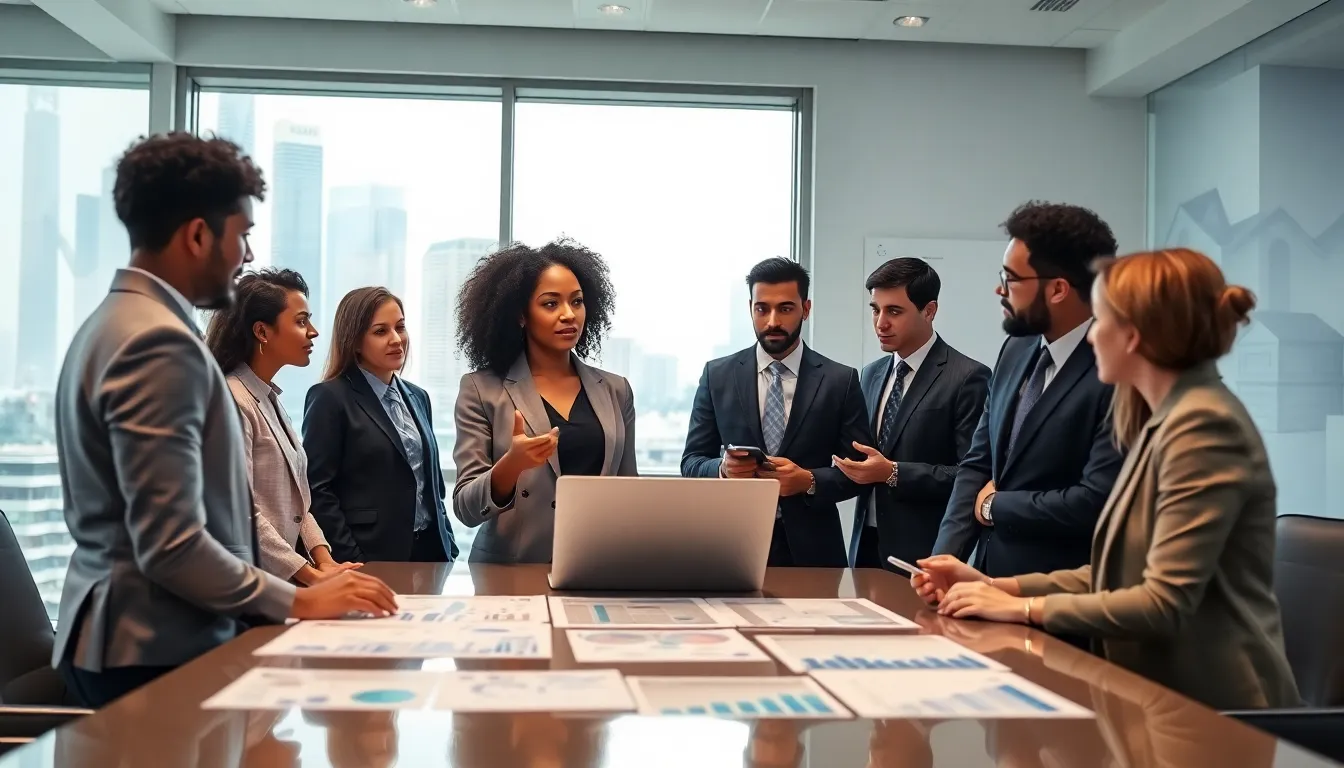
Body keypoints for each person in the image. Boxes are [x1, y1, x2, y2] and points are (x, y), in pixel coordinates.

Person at [52, 133, 396, 708]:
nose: (247, 257)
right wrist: (300, 600)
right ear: (197, 235)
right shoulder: (158, 342)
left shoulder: (113, 321)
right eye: (241, 236)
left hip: (123, 637)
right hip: (150, 644)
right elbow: (171, 544)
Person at [914, 248, 1301, 710]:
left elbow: (1163, 602)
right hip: (1160, 696)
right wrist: (996, 587)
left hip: (1215, 709)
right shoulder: (1164, 416)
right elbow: (1122, 574)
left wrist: (1024, 609)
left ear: (1133, 336)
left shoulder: (1203, 426)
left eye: (1102, 321)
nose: (1093, 335)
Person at [931, 201, 1124, 578]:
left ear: (1058, 289)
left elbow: (1096, 500)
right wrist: (944, 560)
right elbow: (978, 463)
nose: (999, 289)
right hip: (984, 580)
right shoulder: (1016, 349)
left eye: (1011, 279)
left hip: (1061, 592)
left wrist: (995, 507)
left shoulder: (1115, 369)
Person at [452, 239, 636, 563]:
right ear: (521, 315)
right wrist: (512, 464)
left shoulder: (616, 390)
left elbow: (629, 493)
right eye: (551, 304)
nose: (568, 314)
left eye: (577, 301)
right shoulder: (481, 390)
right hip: (511, 570)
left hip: (597, 565)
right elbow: (466, 507)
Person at [681, 257, 870, 567]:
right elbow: (691, 462)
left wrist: (808, 480)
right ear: (750, 309)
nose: (772, 321)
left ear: (805, 309)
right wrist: (723, 470)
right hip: (731, 546)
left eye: (785, 308)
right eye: (762, 309)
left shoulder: (841, 380)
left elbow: (859, 472)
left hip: (815, 552)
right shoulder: (717, 375)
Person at [205, 268, 361, 584]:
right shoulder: (233, 399)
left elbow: (298, 505)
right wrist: (310, 576)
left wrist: (325, 561)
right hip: (249, 583)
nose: (313, 332)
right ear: (262, 332)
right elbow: (240, 511)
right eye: (301, 322)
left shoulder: (269, 398)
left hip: (279, 579)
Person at [835, 258, 989, 570]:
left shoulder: (968, 377)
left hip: (926, 550)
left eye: (894, 311)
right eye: (875, 310)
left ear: (929, 311)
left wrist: (893, 472)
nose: (880, 323)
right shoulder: (871, 374)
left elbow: (971, 475)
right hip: (865, 546)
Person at [304, 287, 459, 564]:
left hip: (431, 555)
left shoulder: (418, 397)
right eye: (380, 331)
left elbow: (431, 484)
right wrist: (352, 557)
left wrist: (448, 542)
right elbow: (318, 489)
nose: (396, 339)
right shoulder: (330, 397)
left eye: (400, 327)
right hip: (370, 556)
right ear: (354, 341)